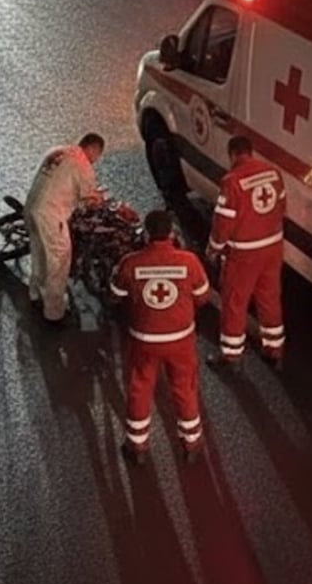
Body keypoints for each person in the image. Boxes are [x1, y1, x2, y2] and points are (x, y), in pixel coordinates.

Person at [110, 210, 211, 465]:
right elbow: (202, 297)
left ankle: (137, 445)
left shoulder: (130, 262)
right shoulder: (189, 262)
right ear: (172, 233)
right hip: (180, 340)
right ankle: (191, 443)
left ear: (146, 234)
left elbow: (115, 294)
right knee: (184, 388)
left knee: (140, 387)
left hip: (144, 340)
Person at [205, 135, 286, 372]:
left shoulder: (231, 182)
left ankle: (230, 354)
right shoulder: (273, 173)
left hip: (244, 253)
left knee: (234, 301)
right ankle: (274, 349)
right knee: (269, 297)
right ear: (251, 152)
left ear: (232, 154)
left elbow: (223, 223)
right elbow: (282, 208)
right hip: (272, 248)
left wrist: (214, 247)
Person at [24, 133, 106, 324]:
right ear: (93, 149)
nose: (95, 160)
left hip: (32, 208)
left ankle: (35, 293)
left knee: (38, 254)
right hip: (52, 216)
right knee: (58, 262)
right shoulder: (82, 165)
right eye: (97, 156)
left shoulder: (58, 151)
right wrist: (98, 198)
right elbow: (88, 199)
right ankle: (54, 313)